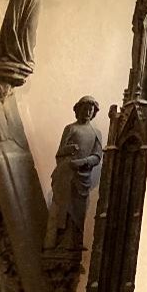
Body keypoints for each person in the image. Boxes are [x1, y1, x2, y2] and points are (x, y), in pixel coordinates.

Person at [45, 96, 103, 251]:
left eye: (91, 110)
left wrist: (83, 162)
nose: (88, 112)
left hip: (82, 177)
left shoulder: (96, 133)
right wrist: (69, 150)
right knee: (63, 208)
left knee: (78, 210)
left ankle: (74, 241)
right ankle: (59, 242)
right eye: (85, 109)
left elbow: (97, 156)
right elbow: (59, 153)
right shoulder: (70, 129)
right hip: (66, 175)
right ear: (78, 110)